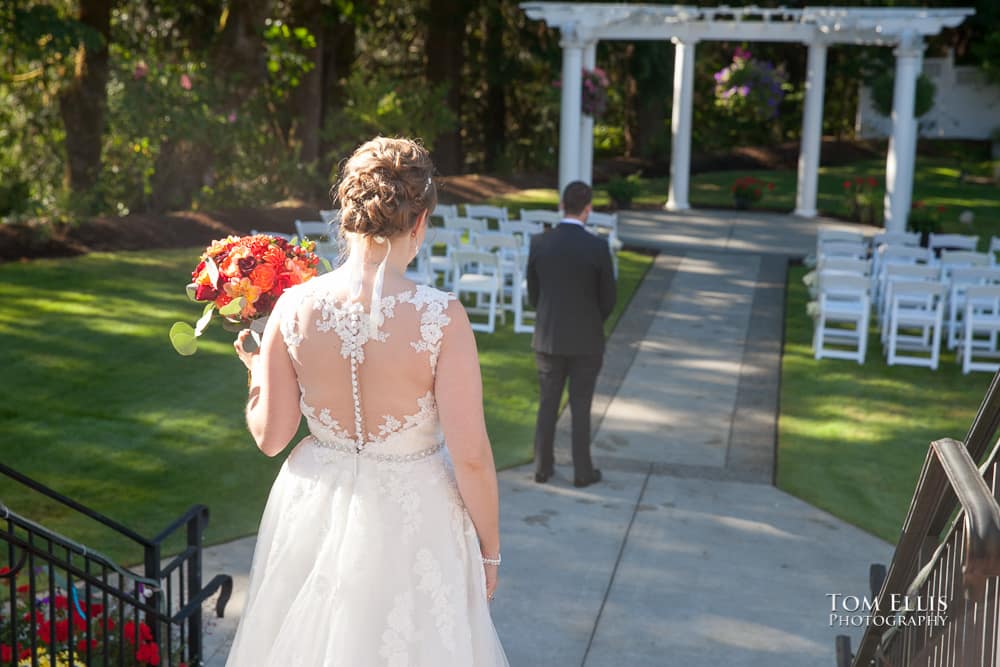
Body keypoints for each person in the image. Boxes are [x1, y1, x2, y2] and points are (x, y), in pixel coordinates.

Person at [226, 137, 509, 666]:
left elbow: (271, 438)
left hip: (313, 505)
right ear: (420, 221)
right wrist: (488, 551)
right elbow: (471, 455)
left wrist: (256, 374)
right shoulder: (442, 316)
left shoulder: (292, 305)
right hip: (417, 513)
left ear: (347, 213)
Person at [527, 180, 616, 488]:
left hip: (549, 338)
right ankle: (582, 471)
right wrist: (590, 320)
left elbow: (534, 295)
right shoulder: (598, 247)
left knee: (547, 404)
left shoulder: (540, 242)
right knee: (581, 407)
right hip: (586, 341)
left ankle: (542, 468)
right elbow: (608, 299)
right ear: (587, 210)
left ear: (562, 206)